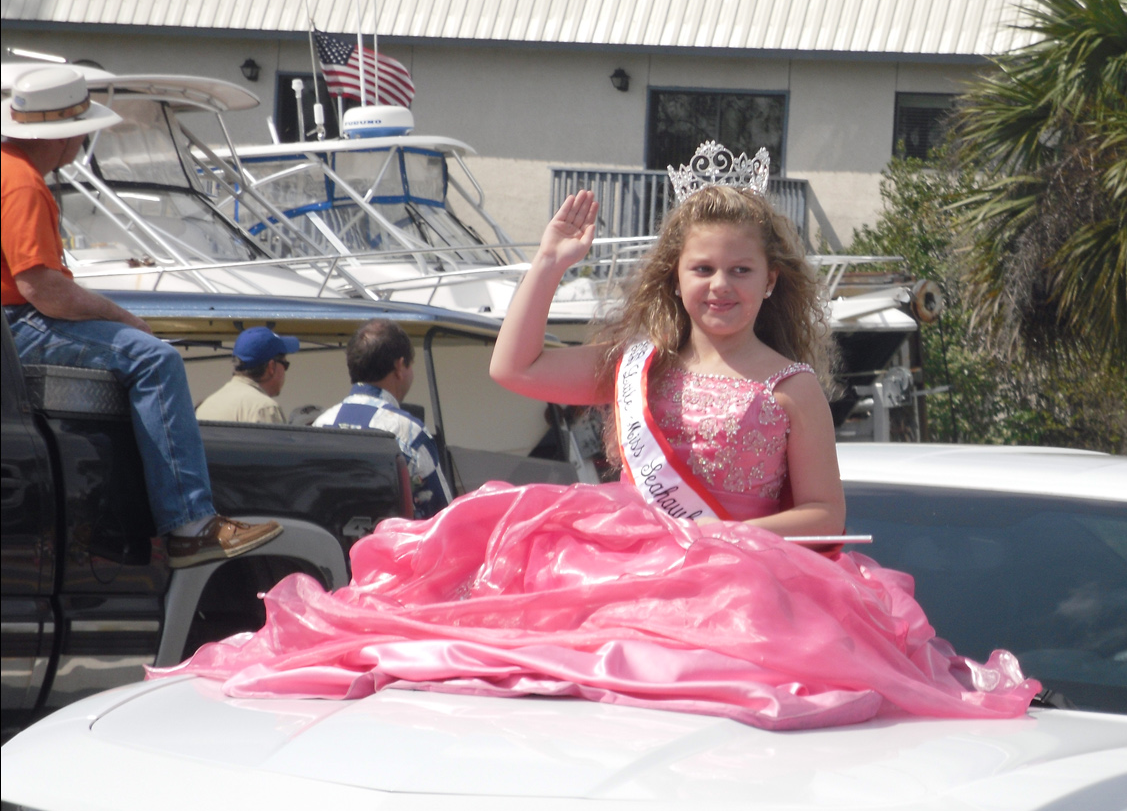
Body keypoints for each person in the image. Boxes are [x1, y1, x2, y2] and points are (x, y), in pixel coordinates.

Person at [152, 144, 1037, 729]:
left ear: (773, 280)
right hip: (613, 555)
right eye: (702, 268)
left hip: (738, 583)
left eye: (739, 269)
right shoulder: (633, 362)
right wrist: (545, 265)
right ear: (675, 275)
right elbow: (516, 366)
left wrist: (723, 540)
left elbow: (823, 513)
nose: (719, 285)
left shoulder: (792, 386)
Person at [2, 65, 282, 569]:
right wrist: (126, 320)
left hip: (13, 325)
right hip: (16, 324)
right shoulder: (22, 184)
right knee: (155, 360)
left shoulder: (9, 171)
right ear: (67, 137)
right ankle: (190, 526)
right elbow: (41, 290)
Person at [313, 318, 452, 519]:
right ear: (400, 366)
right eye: (410, 365)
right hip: (391, 547)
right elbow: (441, 517)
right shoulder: (409, 432)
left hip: (334, 548)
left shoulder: (320, 425)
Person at [195, 326, 299, 423]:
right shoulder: (265, 408)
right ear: (271, 367)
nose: (285, 371)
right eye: (285, 364)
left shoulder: (206, 406)